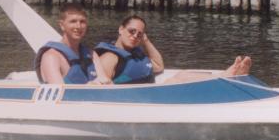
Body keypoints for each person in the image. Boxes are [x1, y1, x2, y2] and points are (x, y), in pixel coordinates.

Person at [96, 15, 252, 84]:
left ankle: (226, 75)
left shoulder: (134, 52)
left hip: (150, 94)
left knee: (182, 74)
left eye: (139, 34)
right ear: (120, 29)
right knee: (176, 80)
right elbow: (103, 88)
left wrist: (146, 41)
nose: (135, 36)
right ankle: (226, 77)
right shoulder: (110, 57)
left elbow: (158, 66)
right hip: (139, 100)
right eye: (131, 31)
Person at [35, 3, 111, 85]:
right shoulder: (51, 57)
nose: (78, 26)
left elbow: (106, 82)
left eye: (82, 22)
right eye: (73, 21)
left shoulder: (91, 54)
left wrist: (106, 83)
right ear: (62, 25)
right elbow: (59, 92)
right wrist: (88, 87)